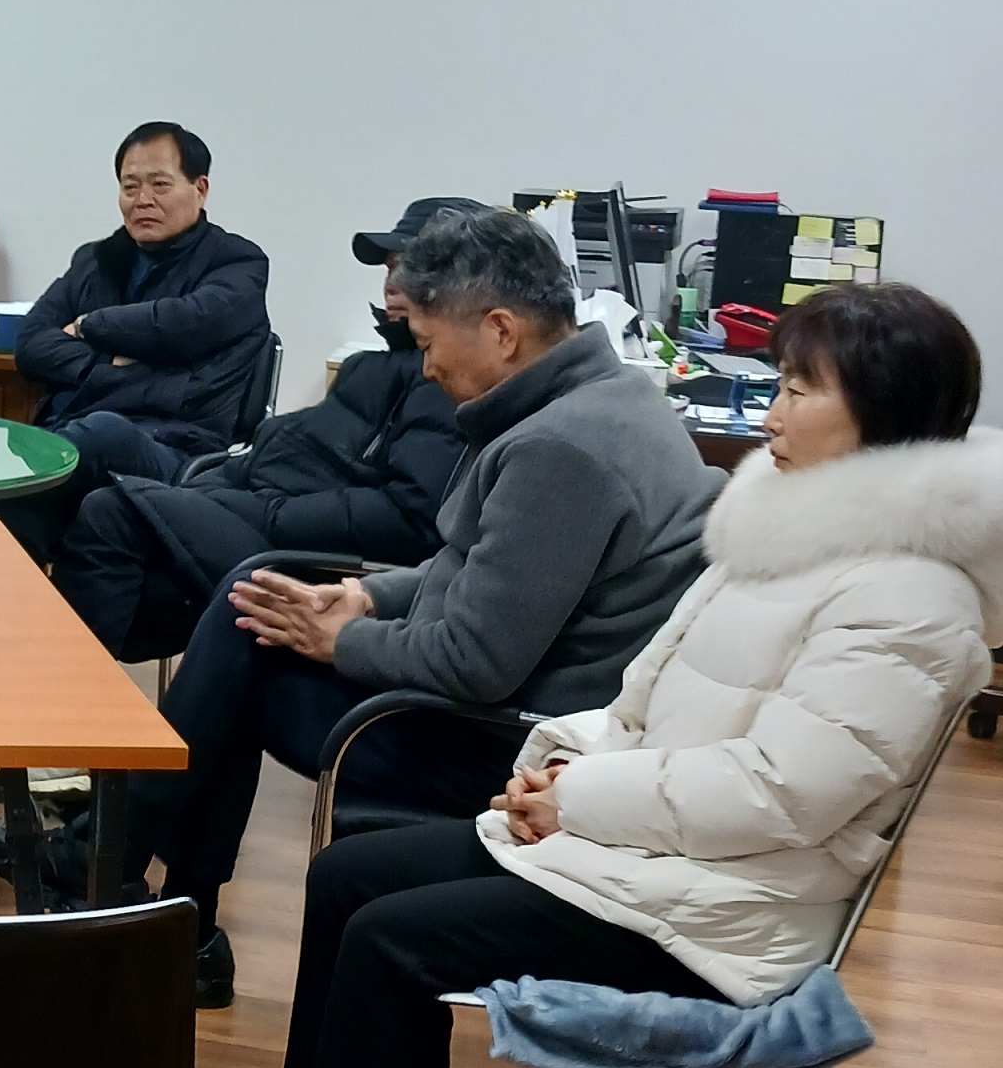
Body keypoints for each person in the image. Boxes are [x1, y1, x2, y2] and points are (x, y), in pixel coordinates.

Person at [245, 281, 1003, 1068]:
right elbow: (640, 705)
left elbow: (781, 793)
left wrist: (581, 800)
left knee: (393, 939)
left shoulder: (911, 600)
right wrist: (557, 769)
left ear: (885, 415)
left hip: (732, 915)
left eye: (800, 390)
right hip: (657, 856)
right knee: (351, 875)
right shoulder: (785, 533)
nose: (771, 411)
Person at [126, 204, 715, 1010]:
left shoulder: (557, 450)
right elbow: (468, 563)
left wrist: (341, 641)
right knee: (257, 603)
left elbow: (473, 664)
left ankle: (125, 874)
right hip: (517, 708)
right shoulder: (604, 397)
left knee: (246, 631)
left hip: (505, 743)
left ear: (501, 331)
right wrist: (363, 594)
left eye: (431, 342)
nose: (426, 367)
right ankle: (156, 902)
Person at [50, 195, 477, 663]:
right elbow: (287, 451)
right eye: (391, 266)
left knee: (110, 509)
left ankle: (67, 685)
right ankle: (48, 655)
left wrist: (270, 509)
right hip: (247, 504)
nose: (393, 282)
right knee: (97, 469)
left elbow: (409, 520)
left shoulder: (447, 380)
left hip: (301, 556)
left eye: (411, 269)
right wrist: (218, 486)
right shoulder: (367, 365)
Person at [3, 122, 271, 565]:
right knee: (6, 451)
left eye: (159, 185)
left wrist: (88, 326)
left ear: (200, 189)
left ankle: (4, 573)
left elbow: (182, 325)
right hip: (78, 429)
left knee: (94, 435)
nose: (142, 200)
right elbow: (31, 343)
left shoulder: (238, 263)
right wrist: (107, 365)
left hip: (176, 447)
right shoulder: (96, 259)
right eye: (130, 186)